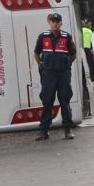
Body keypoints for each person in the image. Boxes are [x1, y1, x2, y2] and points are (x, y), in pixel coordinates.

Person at [34, 13, 76, 141]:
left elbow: (73, 54)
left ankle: (68, 130)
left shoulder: (67, 37)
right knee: (47, 101)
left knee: (65, 101)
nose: (55, 23)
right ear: (49, 22)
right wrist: (40, 65)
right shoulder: (43, 37)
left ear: (61, 23)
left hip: (63, 74)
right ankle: (44, 131)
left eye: (57, 21)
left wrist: (68, 64)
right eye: (53, 21)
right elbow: (36, 53)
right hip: (48, 74)